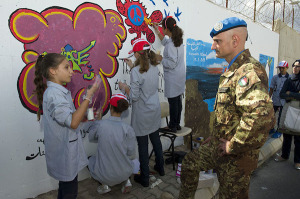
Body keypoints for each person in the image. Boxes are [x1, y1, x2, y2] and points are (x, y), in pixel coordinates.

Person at [178, 17, 275, 199]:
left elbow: (261, 116)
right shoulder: (233, 69)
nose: (213, 46)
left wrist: (233, 145)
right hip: (220, 144)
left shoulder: (248, 71)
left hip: (236, 156)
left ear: (235, 40)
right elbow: (230, 112)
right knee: (190, 163)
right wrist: (215, 136)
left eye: (217, 41)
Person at [33, 53, 100, 199]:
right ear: (53, 71)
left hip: (64, 152)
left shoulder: (56, 92)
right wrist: (88, 96)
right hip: (65, 155)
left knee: (65, 188)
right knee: (70, 192)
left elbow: (70, 118)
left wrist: (81, 114)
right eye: (66, 67)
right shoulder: (55, 95)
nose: (72, 71)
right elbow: (73, 122)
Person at [118, 38, 165, 187]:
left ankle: (144, 177)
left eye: (134, 54)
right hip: (154, 110)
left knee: (143, 146)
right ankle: (161, 168)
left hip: (142, 114)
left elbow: (134, 96)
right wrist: (132, 67)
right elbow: (143, 77)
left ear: (138, 54)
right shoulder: (154, 67)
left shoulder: (136, 72)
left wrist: (125, 87)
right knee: (155, 139)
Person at [88, 93, 137, 194]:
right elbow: (131, 152)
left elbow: (91, 138)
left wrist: (98, 121)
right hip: (125, 172)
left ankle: (104, 185)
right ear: (123, 110)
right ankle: (126, 181)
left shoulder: (100, 125)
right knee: (133, 160)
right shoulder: (128, 129)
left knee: (90, 160)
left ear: (110, 107)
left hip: (105, 175)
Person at [153, 16, 186, 133]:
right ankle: (176, 124)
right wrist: (156, 30)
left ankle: (172, 126)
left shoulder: (172, 45)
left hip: (174, 77)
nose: (161, 29)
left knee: (173, 102)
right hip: (179, 76)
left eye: (162, 27)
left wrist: (160, 58)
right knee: (177, 101)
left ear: (166, 29)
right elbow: (164, 41)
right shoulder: (176, 40)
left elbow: (171, 63)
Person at [275, 59, 300, 170]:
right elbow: (282, 94)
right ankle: (284, 155)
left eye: (298, 66)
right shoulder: (289, 79)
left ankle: (297, 161)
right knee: (287, 134)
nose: (295, 68)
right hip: (289, 108)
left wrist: (291, 93)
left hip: (298, 110)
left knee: (298, 138)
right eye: (294, 66)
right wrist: (295, 95)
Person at [269, 61, 289, 138]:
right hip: (276, 99)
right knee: (272, 115)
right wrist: (268, 98)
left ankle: (279, 130)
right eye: (280, 68)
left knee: (281, 116)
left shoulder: (289, 78)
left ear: (287, 68)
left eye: (283, 68)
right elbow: (271, 88)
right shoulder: (275, 77)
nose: (281, 69)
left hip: (284, 101)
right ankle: (271, 128)